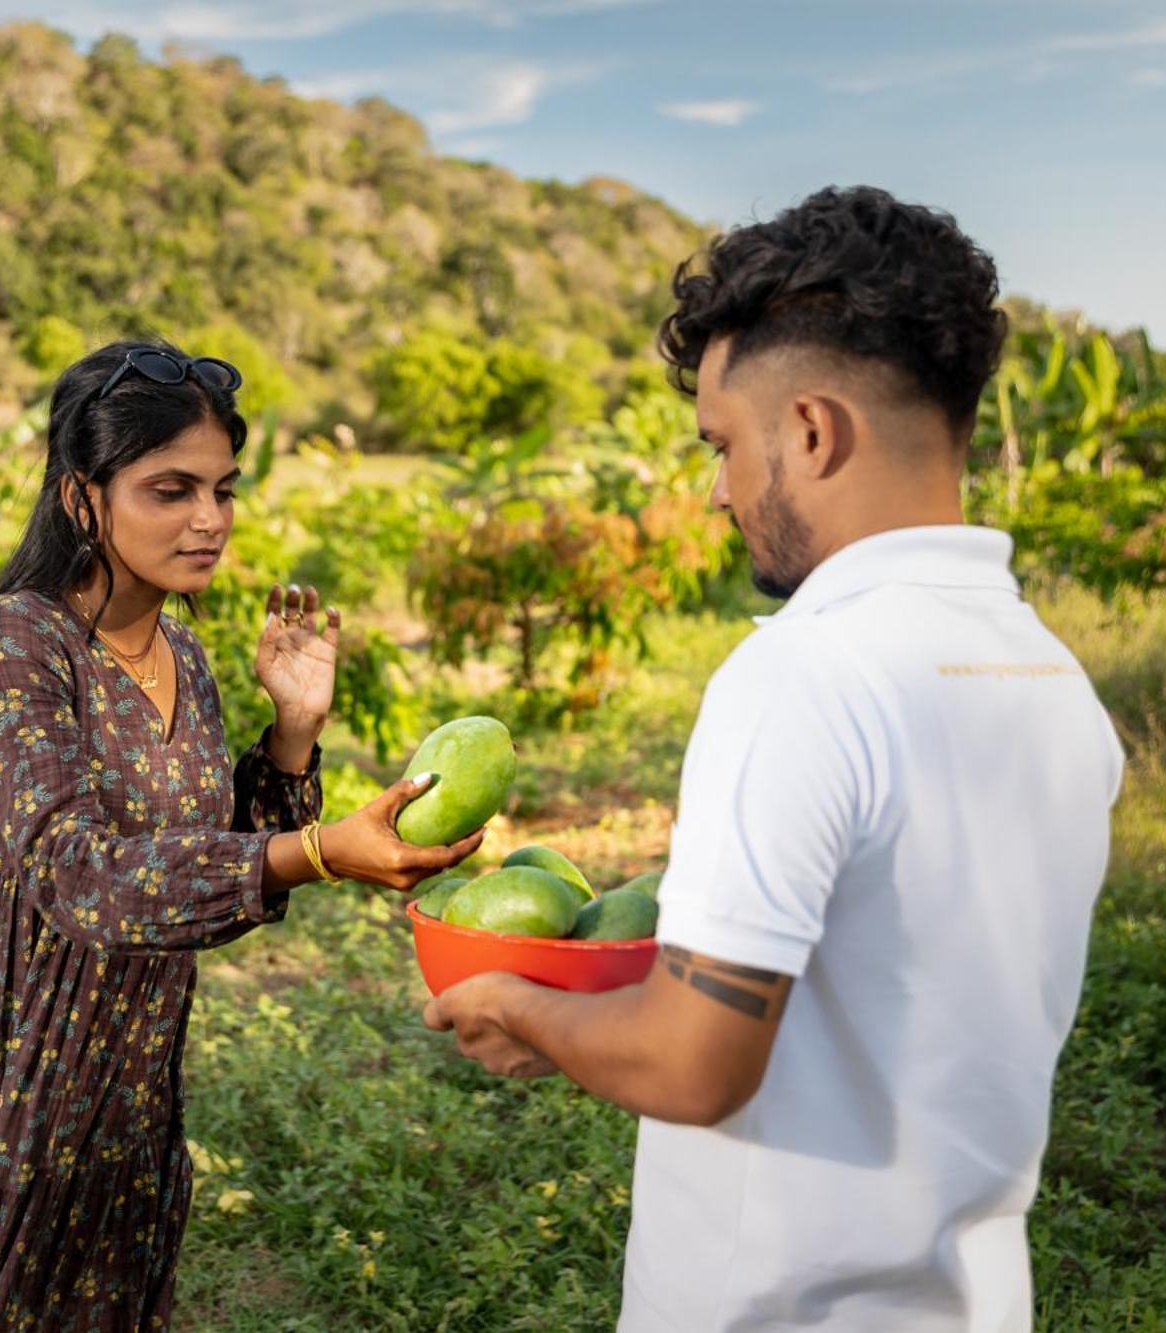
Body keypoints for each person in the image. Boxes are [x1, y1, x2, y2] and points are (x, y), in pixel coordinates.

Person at [424, 187, 1126, 1331]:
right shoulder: (1049, 679)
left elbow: (694, 1063)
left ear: (809, 431)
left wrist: (519, 1004)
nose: (715, 491)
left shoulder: (803, 672)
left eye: (722, 446)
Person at [0, 340, 484, 1331]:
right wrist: (319, 852)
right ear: (81, 497)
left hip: (122, 1069)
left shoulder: (182, 652)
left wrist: (292, 732)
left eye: (223, 490)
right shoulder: (16, 643)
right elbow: (83, 878)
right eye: (169, 489)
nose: (208, 519)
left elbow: (209, 877)